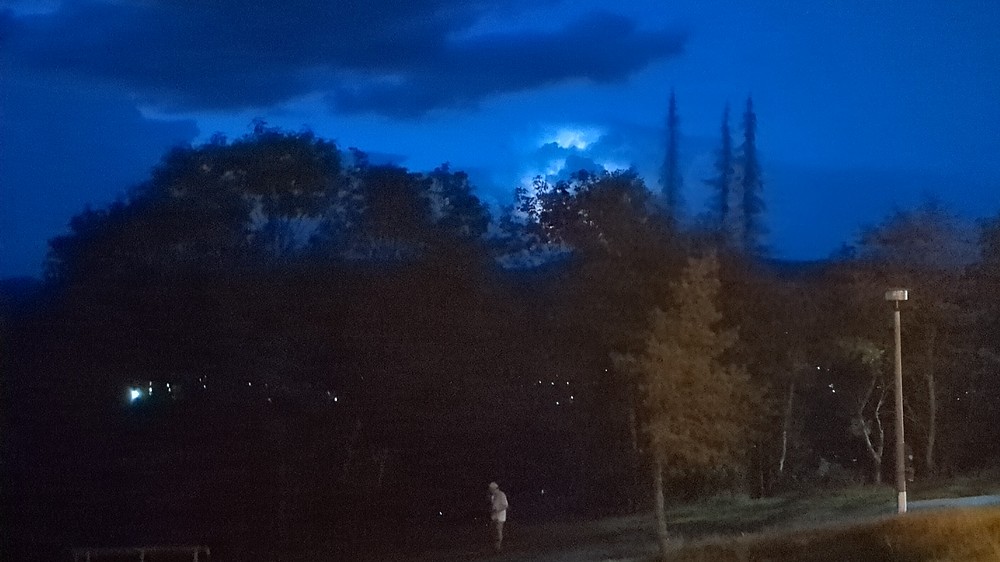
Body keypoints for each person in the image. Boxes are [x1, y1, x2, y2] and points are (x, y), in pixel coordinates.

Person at [488, 482, 509, 551]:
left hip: (500, 517)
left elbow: (505, 505)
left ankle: (498, 547)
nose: (490, 490)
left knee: (498, 531)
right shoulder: (493, 496)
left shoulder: (501, 494)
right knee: (494, 531)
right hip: (494, 516)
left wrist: (497, 510)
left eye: (490, 489)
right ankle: (495, 546)